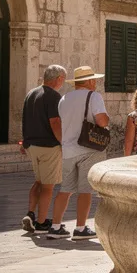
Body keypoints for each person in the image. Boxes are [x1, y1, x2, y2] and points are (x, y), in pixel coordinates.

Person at [49, 66, 109, 240]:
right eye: (94, 80)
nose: (95, 83)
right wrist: (107, 119)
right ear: (89, 81)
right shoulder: (94, 96)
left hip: (68, 150)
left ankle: (55, 226)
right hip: (88, 148)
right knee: (85, 190)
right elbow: (101, 121)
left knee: (65, 189)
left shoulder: (64, 99)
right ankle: (81, 228)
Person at [19, 65, 67, 235]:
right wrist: (64, 142)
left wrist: (24, 141)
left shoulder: (31, 94)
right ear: (59, 78)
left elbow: (24, 119)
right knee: (48, 186)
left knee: (39, 181)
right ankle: (41, 223)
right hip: (49, 146)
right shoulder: (53, 97)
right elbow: (55, 122)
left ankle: (31, 213)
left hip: (32, 145)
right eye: (63, 79)